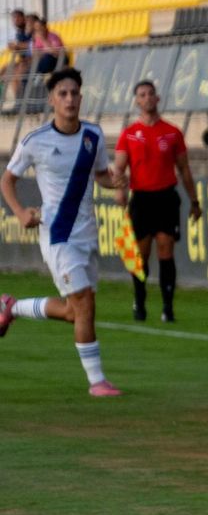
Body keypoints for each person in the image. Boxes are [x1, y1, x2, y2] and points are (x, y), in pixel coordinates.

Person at [0, 68, 128, 397]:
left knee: (76, 312)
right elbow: (7, 180)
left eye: (74, 93)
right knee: (83, 304)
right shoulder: (36, 140)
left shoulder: (93, 136)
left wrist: (113, 180)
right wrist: (19, 211)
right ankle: (97, 382)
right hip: (58, 236)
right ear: (52, 100)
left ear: (81, 98)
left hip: (87, 233)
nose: (69, 99)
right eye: (63, 94)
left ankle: (10, 307)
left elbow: (99, 174)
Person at [112, 80, 202, 323]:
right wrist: (119, 190)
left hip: (165, 197)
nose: (148, 98)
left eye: (151, 93)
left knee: (165, 248)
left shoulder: (172, 132)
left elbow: (184, 169)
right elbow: (119, 168)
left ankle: (167, 307)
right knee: (141, 255)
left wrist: (194, 201)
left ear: (158, 99)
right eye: (142, 94)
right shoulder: (129, 134)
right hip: (141, 198)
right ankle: (139, 301)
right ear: (137, 101)